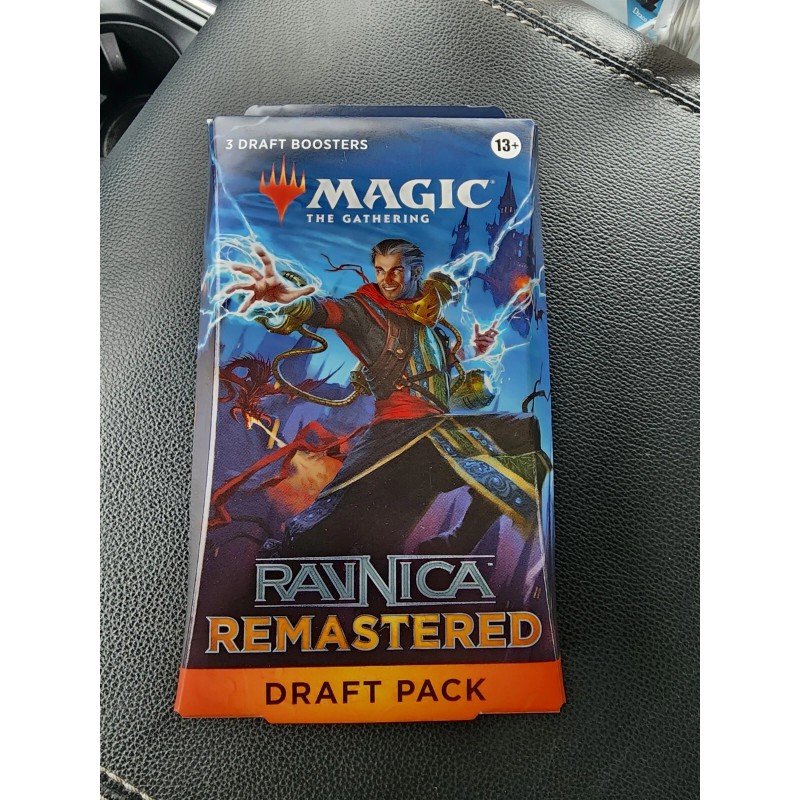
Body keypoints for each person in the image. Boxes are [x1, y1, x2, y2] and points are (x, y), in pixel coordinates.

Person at [225, 238, 550, 556]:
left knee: (527, 435)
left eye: (396, 270)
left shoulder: (435, 334)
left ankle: (459, 540)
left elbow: (444, 390)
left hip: (430, 438)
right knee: (324, 536)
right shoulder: (368, 311)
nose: (387, 279)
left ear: (416, 273)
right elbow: (326, 311)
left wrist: (473, 360)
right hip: (395, 436)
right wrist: (289, 300)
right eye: (381, 270)